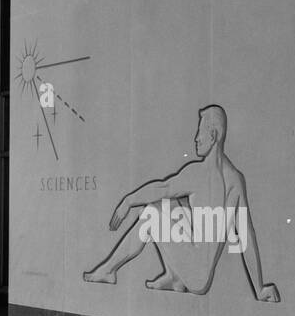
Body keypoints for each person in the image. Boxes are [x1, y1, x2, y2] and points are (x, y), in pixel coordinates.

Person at [83, 104, 280, 300]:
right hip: (201, 269)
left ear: (212, 136)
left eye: (199, 132)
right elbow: (246, 237)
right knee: (170, 206)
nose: (196, 138)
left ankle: (108, 270)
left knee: (152, 212)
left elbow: (161, 187)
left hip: (196, 275)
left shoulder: (198, 173)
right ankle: (174, 278)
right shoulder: (235, 179)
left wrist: (128, 201)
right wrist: (260, 288)